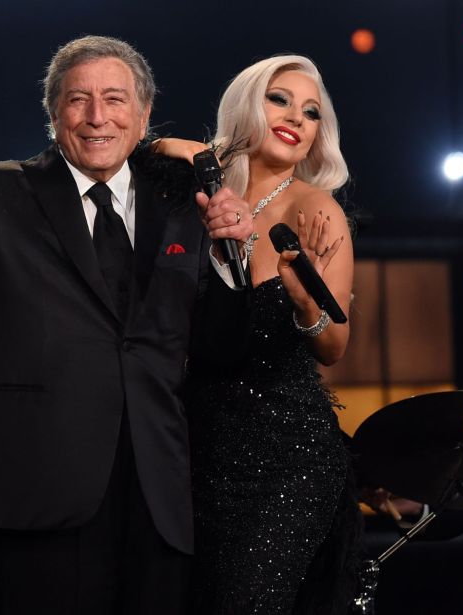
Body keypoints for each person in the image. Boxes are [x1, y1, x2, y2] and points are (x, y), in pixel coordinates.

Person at [0, 35, 254, 614]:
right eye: (77, 100)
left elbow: (221, 347)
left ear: (143, 114)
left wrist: (233, 261)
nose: (96, 118)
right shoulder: (0, 188)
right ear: (52, 112)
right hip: (42, 490)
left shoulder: (185, 204)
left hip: (158, 496)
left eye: (115, 99)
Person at [156, 54, 359, 613]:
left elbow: (335, 347)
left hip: (285, 459)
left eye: (312, 112)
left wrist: (301, 302)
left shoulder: (318, 212)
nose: (296, 116)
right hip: (191, 449)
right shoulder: (189, 193)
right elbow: (145, 149)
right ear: (247, 103)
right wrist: (205, 159)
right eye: (279, 99)